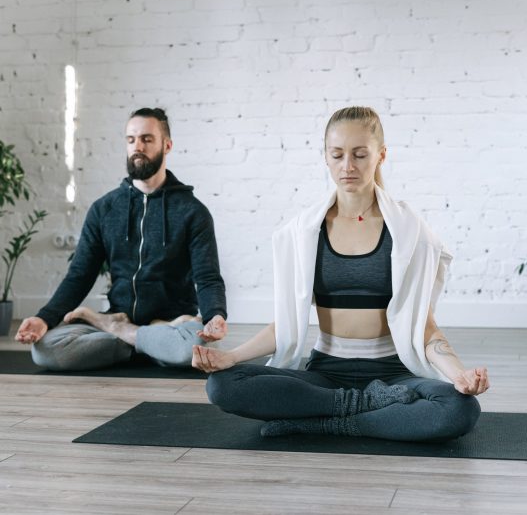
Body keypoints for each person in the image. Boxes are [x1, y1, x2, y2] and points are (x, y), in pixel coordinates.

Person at [192, 106, 489, 442]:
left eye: (360, 155)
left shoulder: (408, 232)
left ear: (381, 156)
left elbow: (425, 327)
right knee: (222, 385)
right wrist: (229, 357)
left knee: (459, 408)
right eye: (337, 155)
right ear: (326, 158)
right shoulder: (303, 232)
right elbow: (285, 324)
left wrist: (460, 374)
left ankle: (323, 423)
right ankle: (365, 408)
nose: (348, 166)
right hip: (326, 373)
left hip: (393, 374)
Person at [15, 107, 227, 370]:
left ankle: (124, 335)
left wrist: (214, 316)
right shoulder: (105, 209)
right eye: (131, 139)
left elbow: (207, 277)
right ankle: (142, 342)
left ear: (167, 145)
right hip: (127, 319)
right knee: (45, 350)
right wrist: (44, 319)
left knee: (195, 347)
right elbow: (79, 275)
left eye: (147, 139)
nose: (137, 146)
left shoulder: (192, 212)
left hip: (173, 321)